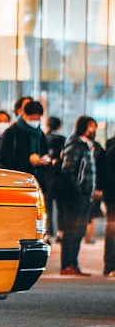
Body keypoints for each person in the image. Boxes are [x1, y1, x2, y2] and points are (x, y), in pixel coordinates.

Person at [57, 116, 97, 276]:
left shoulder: (86, 146)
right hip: (75, 197)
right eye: (91, 126)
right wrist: (78, 192)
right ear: (84, 127)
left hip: (84, 195)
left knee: (79, 231)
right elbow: (68, 171)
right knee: (72, 231)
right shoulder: (76, 146)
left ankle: (73, 264)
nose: (94, 129)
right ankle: (67, 265)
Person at [0, 98, 49, 185]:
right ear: (24, 115)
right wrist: (28, 159)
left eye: (37, 119)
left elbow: (44, 151)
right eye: (32, 119)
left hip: (37, 179)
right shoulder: (11, 132)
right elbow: (3, 158)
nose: (35, 122)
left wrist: (44, 159)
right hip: (17, 180)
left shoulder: (39, 133)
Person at [101, 134, 115, 278]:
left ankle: (110, 266)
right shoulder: (112, 151)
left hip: (110, 197)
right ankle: (110, 266)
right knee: (112, 232)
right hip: (113, 198)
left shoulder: (109, 149)